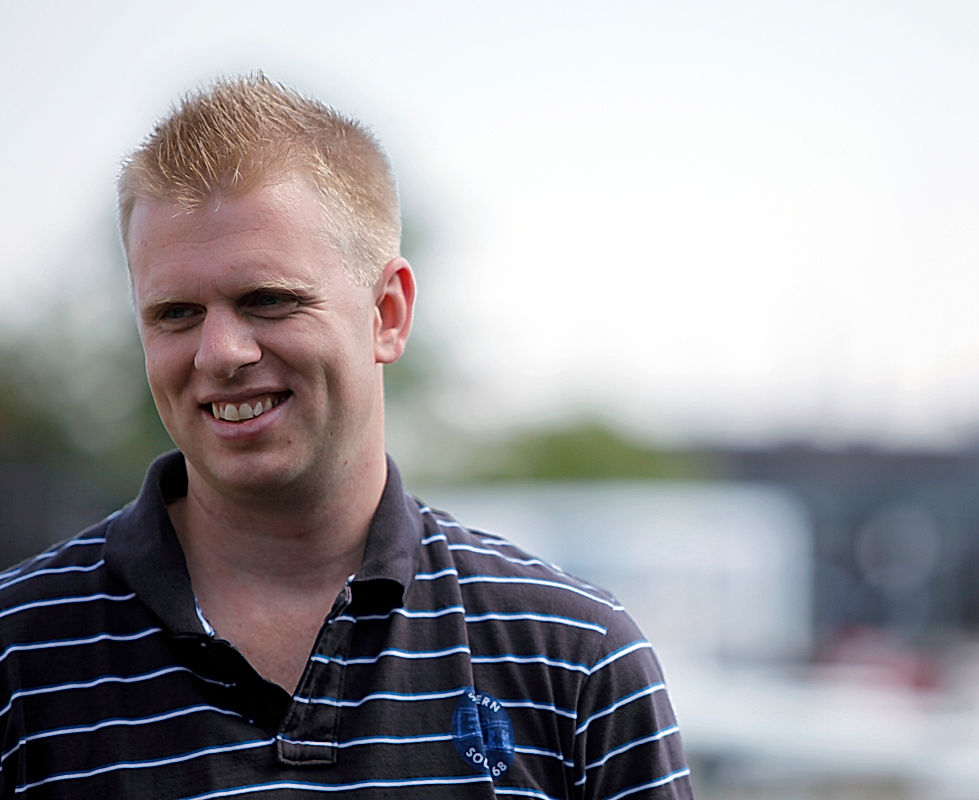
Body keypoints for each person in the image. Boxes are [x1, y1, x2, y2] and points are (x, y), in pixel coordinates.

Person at [0, 74, 693, 799]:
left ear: (387, 313)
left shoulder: (575, 662)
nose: (219, 353)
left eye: (267, 300)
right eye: (175, 313)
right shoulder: (19, 655)